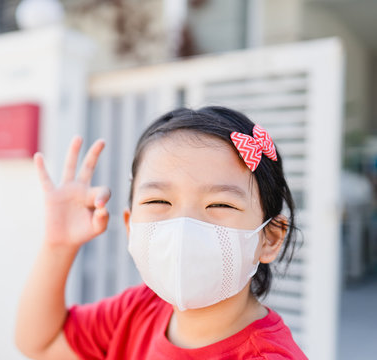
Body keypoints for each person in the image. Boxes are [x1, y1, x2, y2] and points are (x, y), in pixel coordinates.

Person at [15, 106, 308, 359]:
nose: (184, 224)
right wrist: (58, 246)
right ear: (131, 225)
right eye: (158, 201)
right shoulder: (137, 311)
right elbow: (41, 343)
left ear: (269, 237)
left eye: (219, 203)